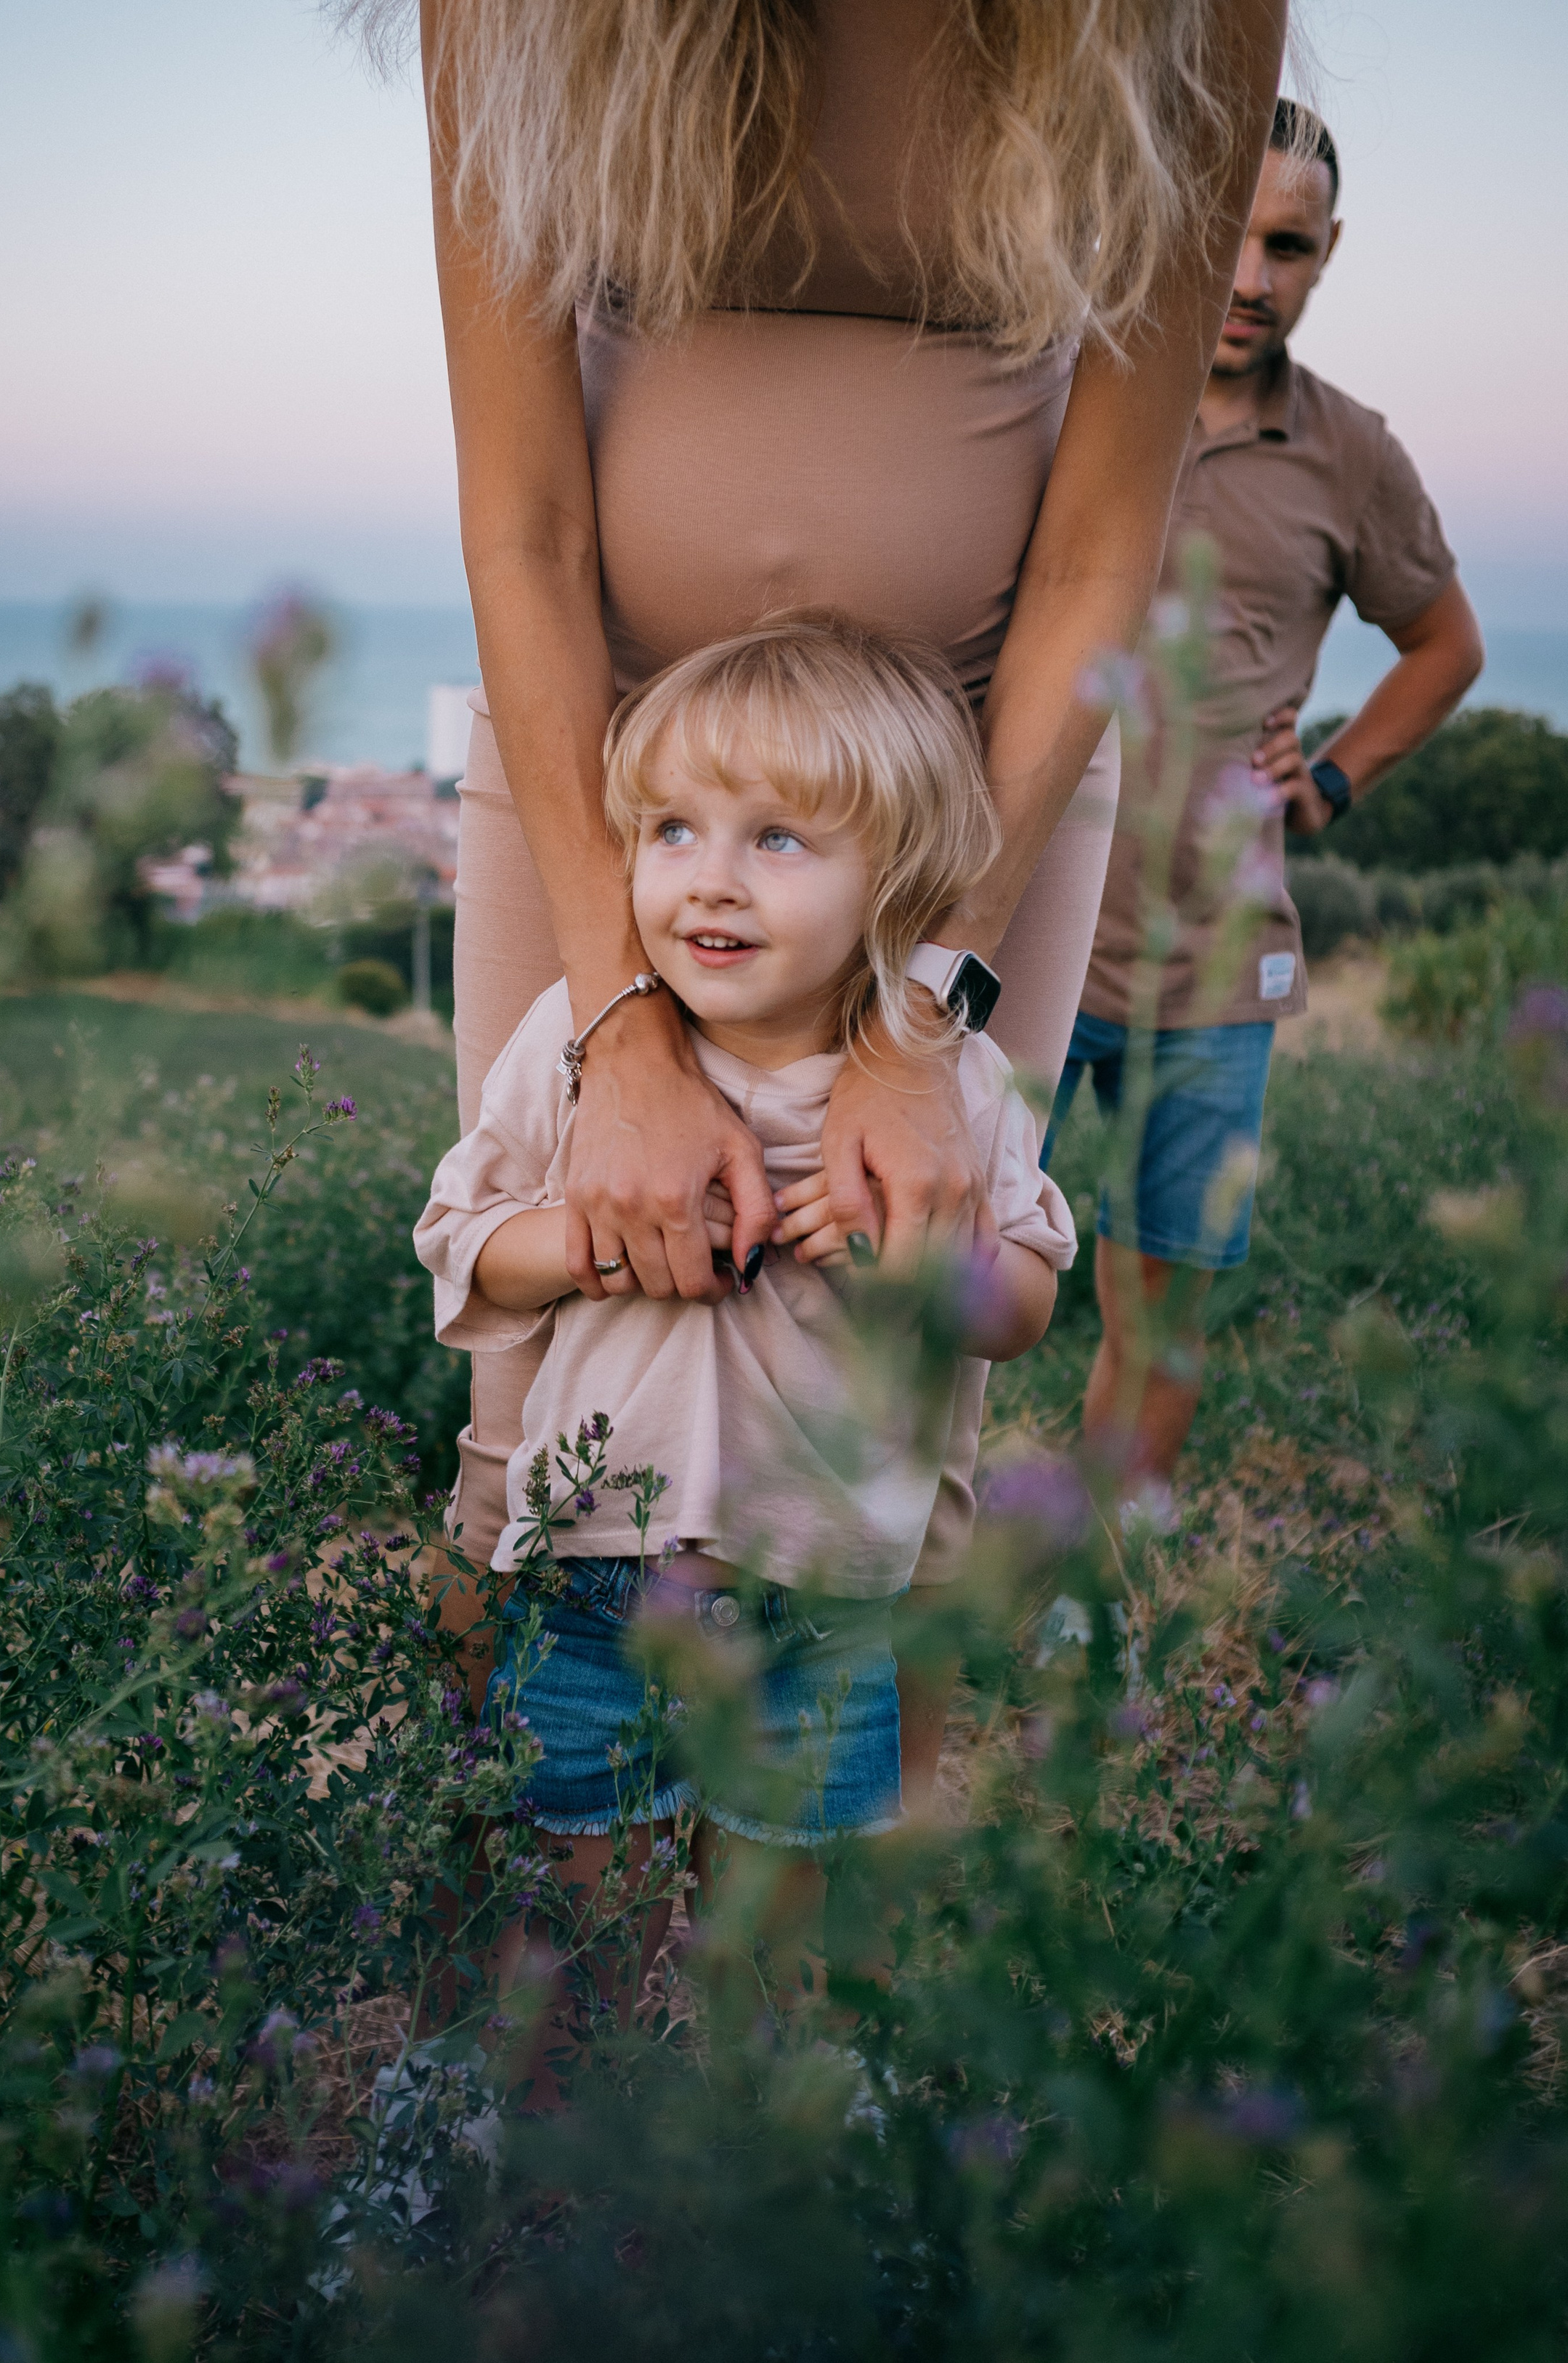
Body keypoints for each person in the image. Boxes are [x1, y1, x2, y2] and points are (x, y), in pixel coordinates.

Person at [347, 0, 1285, 1790]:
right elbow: (524, 525)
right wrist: (621, 1021)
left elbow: (1102, 545)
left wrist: (925, 1007)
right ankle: (517, 1922)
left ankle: (829, 1917)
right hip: (609, 767)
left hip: (976, 779)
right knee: (524, 1419)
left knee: (907, 1396)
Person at [415, 618, 1075, 2083]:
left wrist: (944, 1273)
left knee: (782, 1950)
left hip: (826, 1601)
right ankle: (539, 2137)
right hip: (595, 1582)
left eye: (776, 837)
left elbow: (1029, 1296)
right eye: (669, 829)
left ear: (894, 876)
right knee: (571, 1921)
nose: (707, 877)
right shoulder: (575, 1040)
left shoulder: (950, 1077)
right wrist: (590, 1237)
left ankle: (775, 2153)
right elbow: (460, 1237)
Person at [1049, 100, 1485, 1493]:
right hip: (1027, 944)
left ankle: (1092, 1578)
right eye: (1224, 235)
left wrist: (1334, 777)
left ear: (1327, 254)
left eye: (1286, 247)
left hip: (1218, 966)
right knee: (942, 1278)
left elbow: (1446, 644)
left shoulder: (1353, 452)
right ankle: (899, 1576)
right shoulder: (1063, 388)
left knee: (1158, 1313)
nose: (1249, 277)